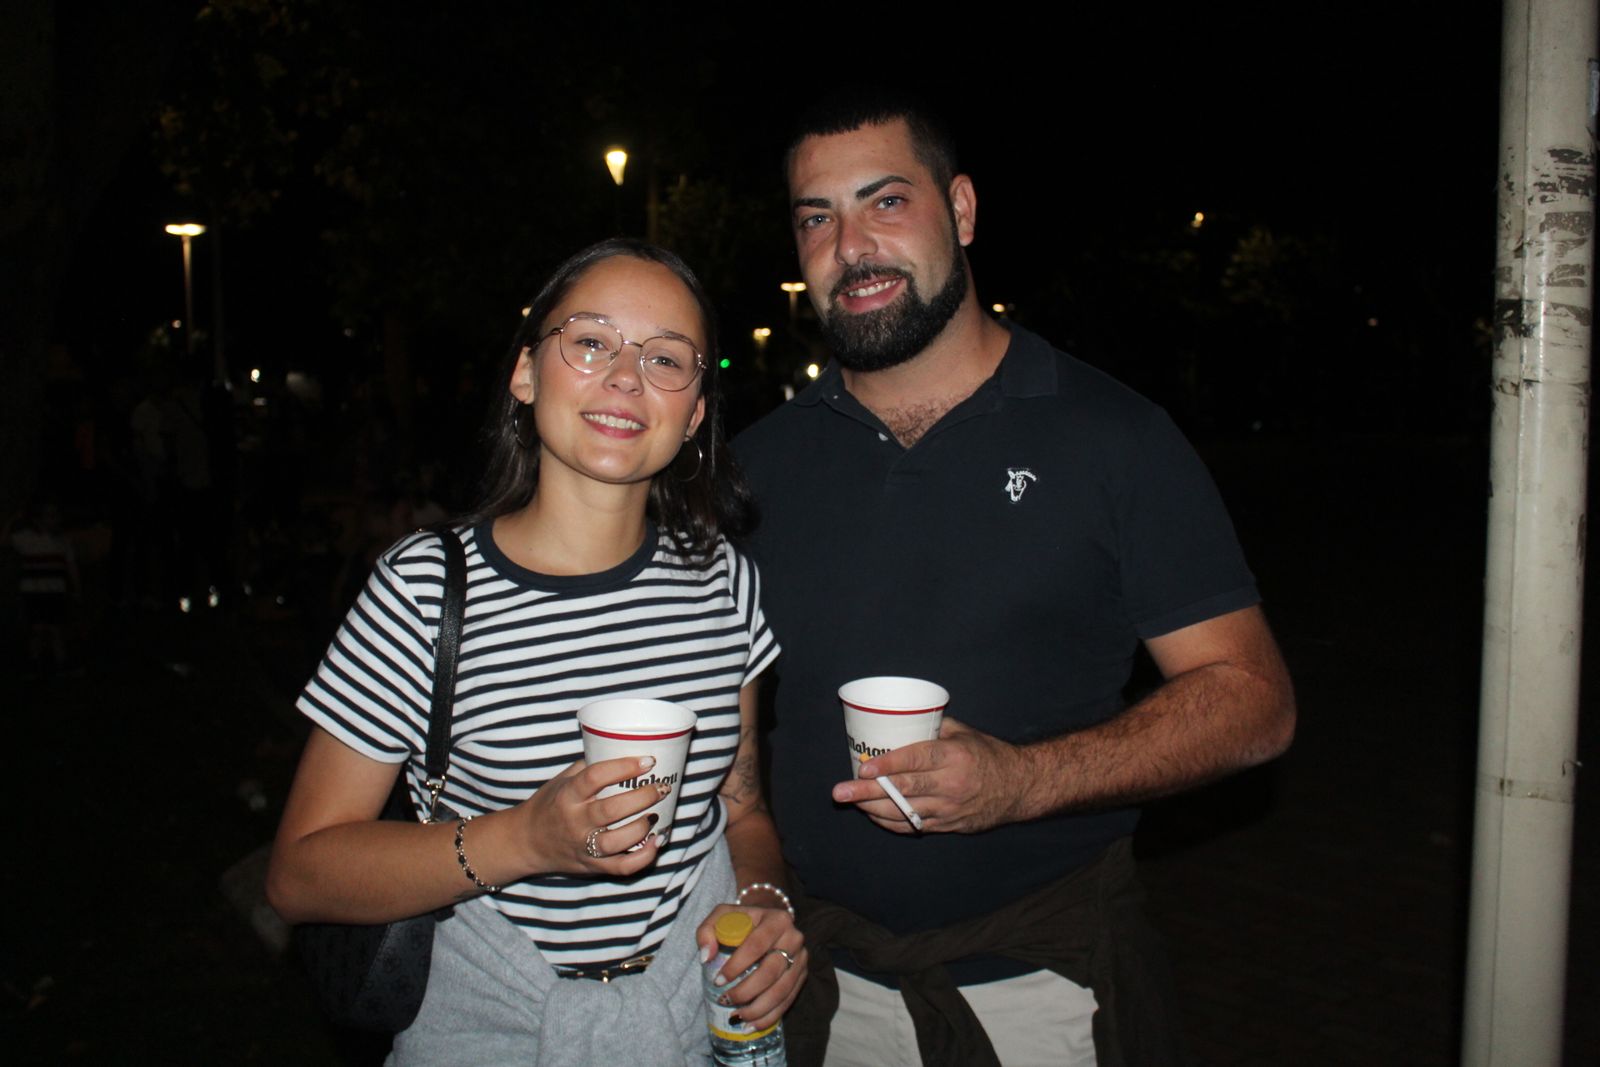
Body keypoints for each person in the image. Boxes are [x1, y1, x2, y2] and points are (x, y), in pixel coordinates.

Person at [734, 97, 1296, 1067]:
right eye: (817, 217)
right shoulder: (754, 468)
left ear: (960, 210)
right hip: (820, 989)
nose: (850, 247)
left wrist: (1019, 781)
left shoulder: (1112, 437)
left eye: (885, 202)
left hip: (1044, 988)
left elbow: (1253, 700)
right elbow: (730, 749)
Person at [267, 239, 807, 1063]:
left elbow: (742, 809)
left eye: (666, 358)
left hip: (691, 1026)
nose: (625, 377)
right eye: (591, 341)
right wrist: (527, 837)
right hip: (486, 1032)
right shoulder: (425, 589)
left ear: (696, 412)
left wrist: (766, 901)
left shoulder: (724, 582)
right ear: (525, 373)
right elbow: (300, 873)